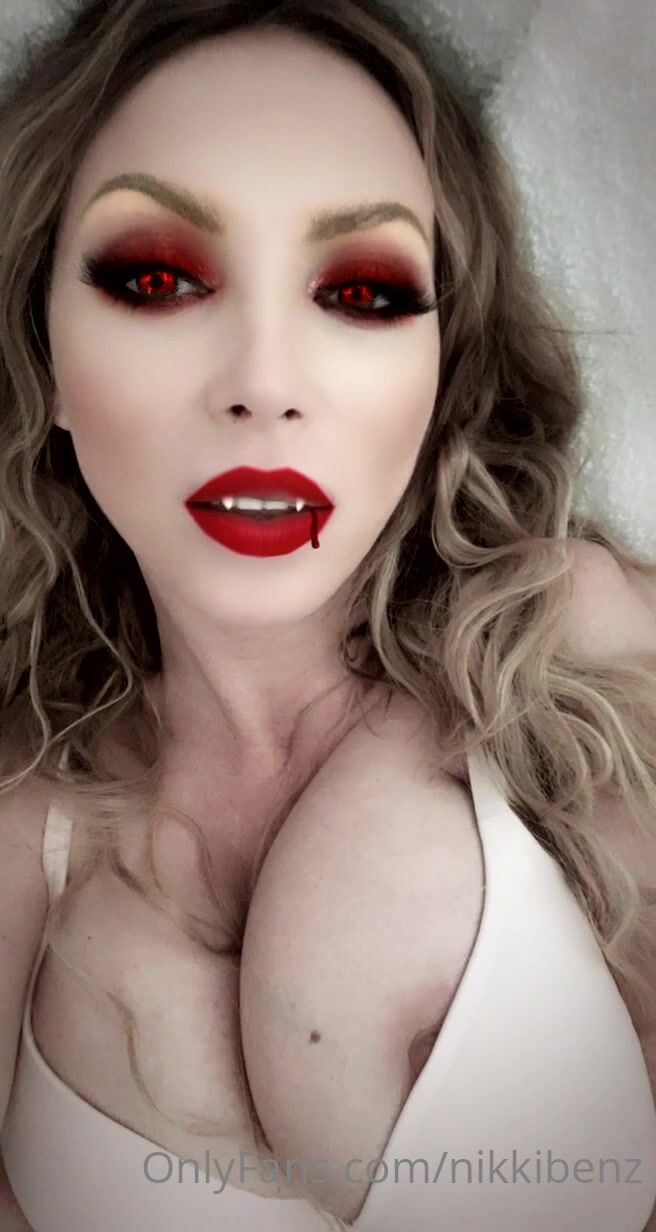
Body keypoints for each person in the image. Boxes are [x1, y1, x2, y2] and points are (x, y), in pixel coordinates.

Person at [0, 1, 655, 1229]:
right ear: (48, 357)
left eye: (359, 291)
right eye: (157, 278)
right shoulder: (25, 834)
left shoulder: (576, 648)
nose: (263, 384)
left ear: (441, 367)